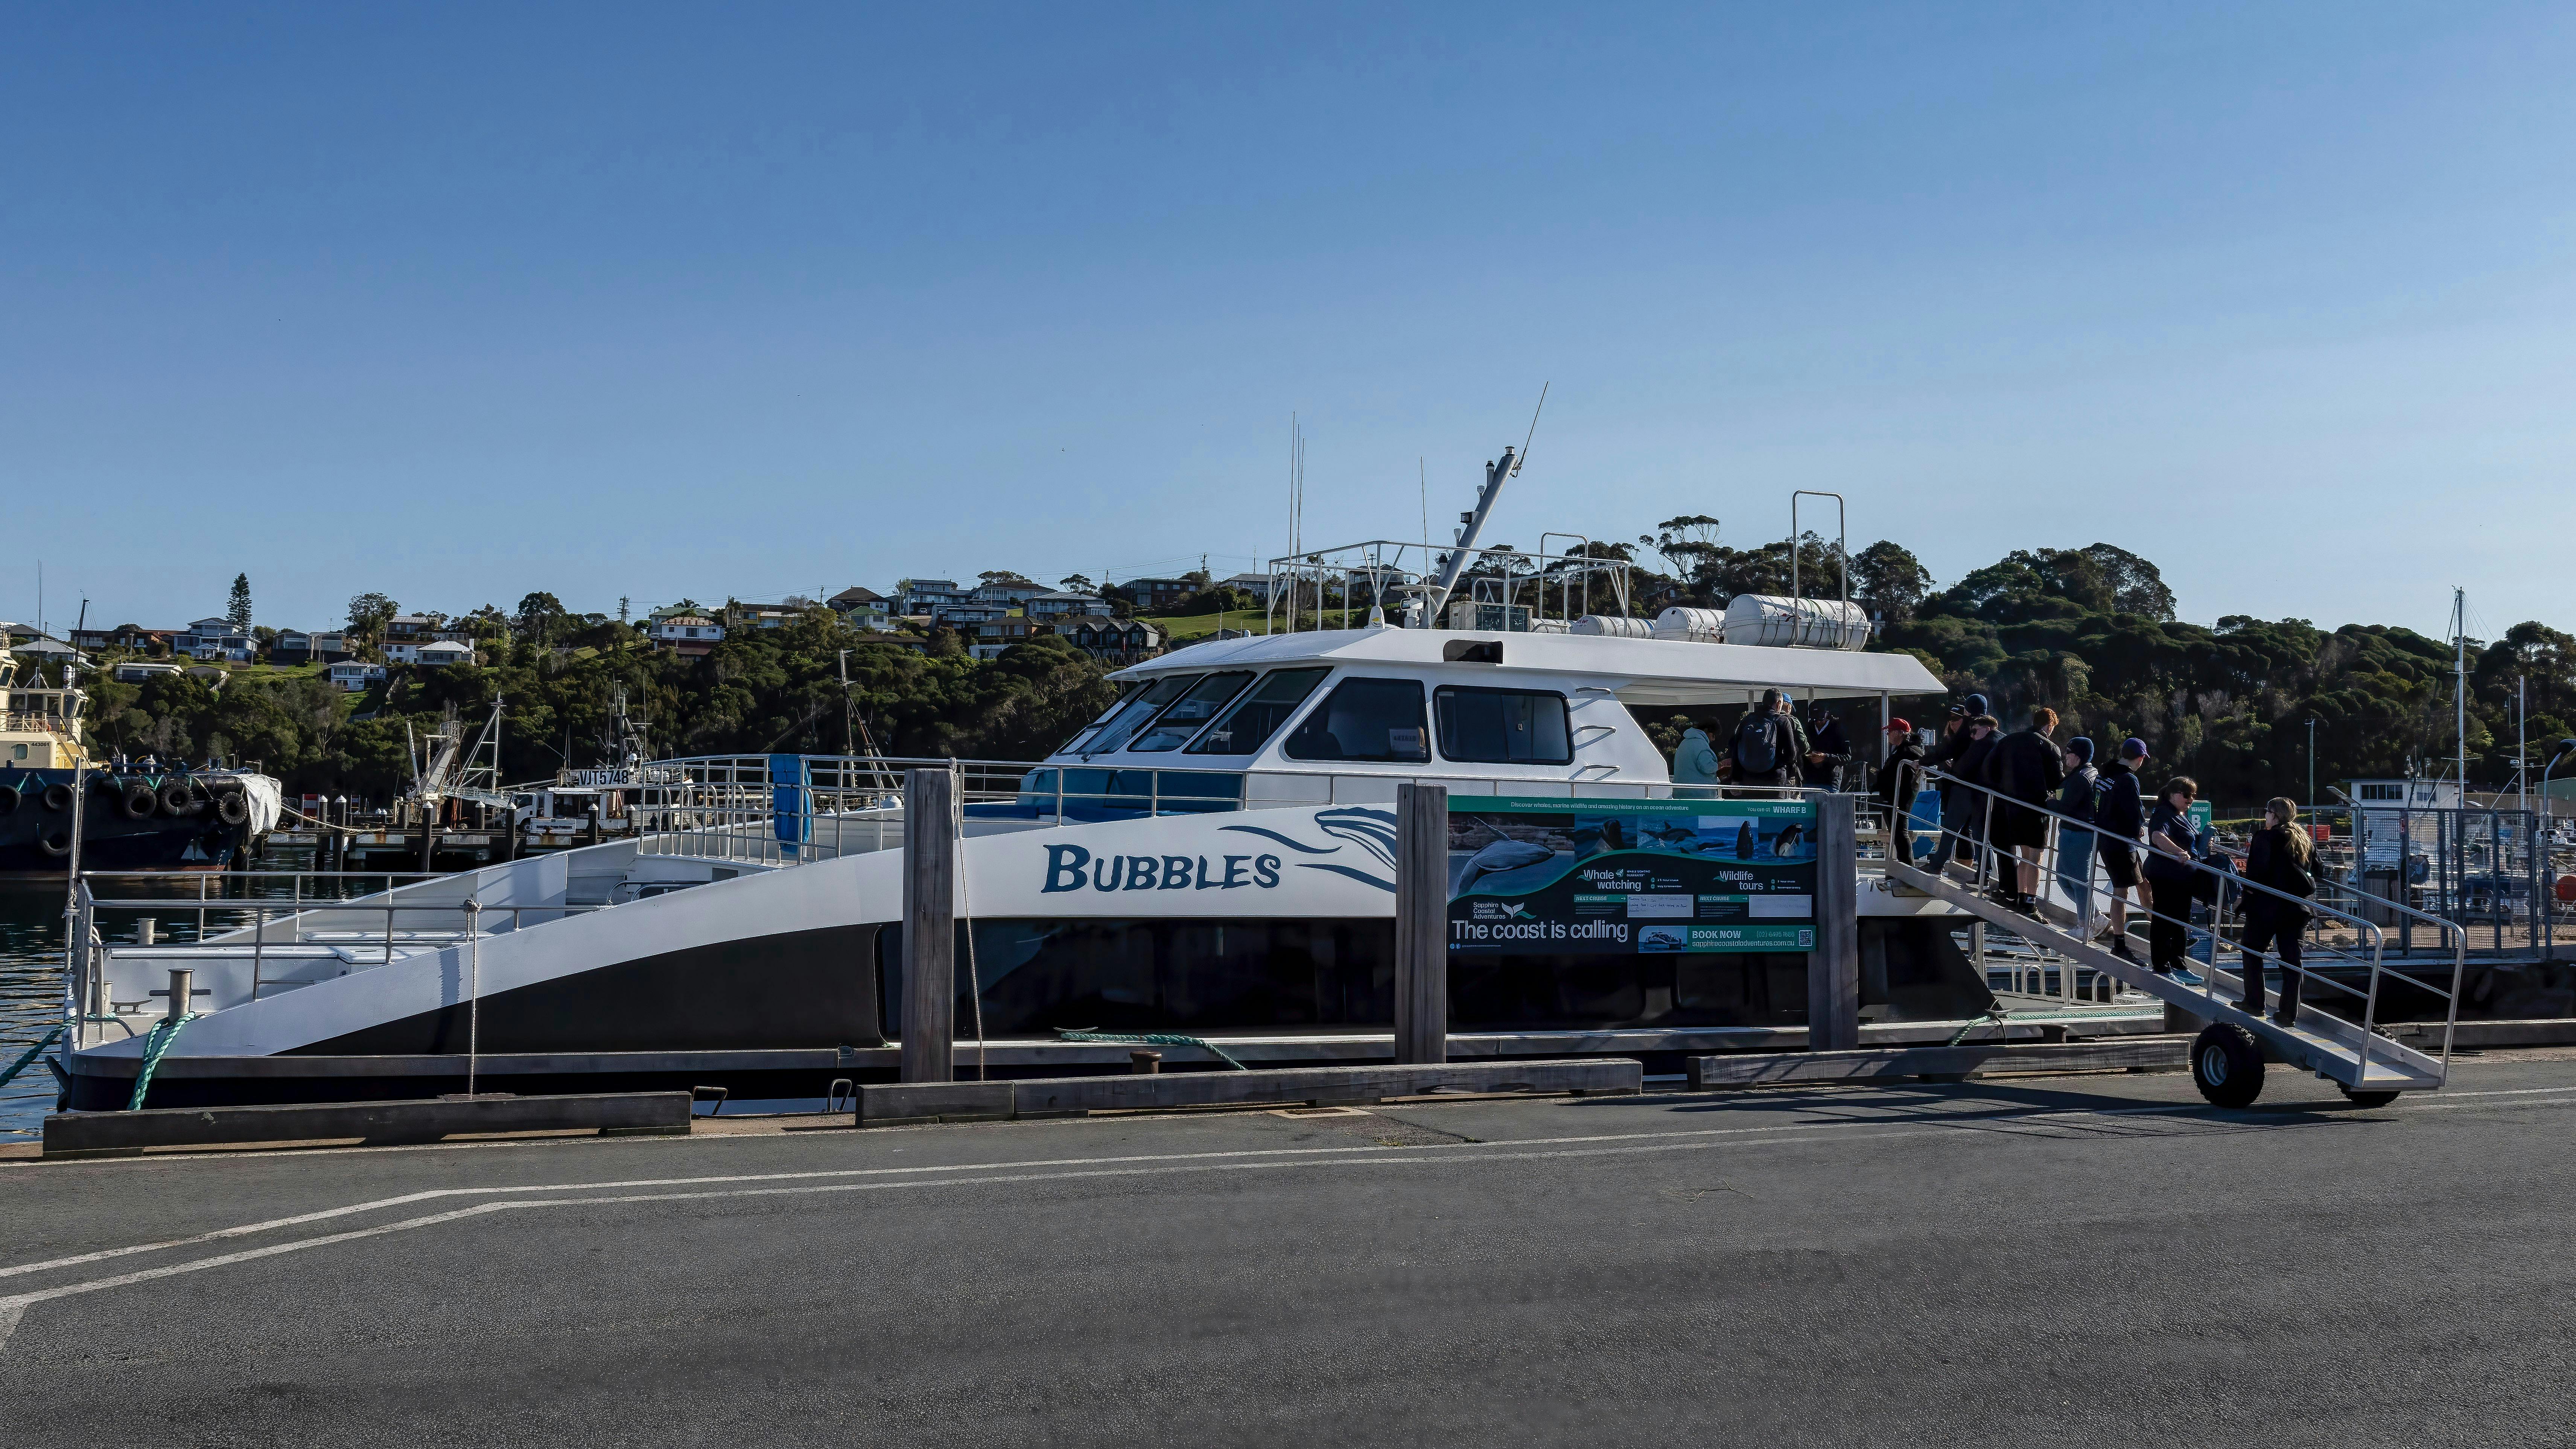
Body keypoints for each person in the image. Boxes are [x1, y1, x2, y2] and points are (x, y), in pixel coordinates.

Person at [2237, 796, 2317, 1024]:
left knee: (2252, 951)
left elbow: (2256, 874)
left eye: (2267, 811)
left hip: (2266, 908)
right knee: (2292, 961)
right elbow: (2319, 869)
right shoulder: (2304, 839)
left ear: (2274, 814)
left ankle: (2254, 1003)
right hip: (2295, 910)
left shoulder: (2265, 837)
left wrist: (2247, 897)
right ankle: (2288, 1013)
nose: (2265, 816)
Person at [1982, 707, 2066, 914]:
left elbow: (1988, 768)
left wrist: (2002, 790)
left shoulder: (2009, 740)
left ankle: (2020, 898)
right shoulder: (2049, 746)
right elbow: (2058, 783)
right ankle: (2030, 903)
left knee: (2024, 856)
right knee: (2035, 858)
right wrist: (2063, 802)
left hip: (2011, 807)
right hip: (2035, 808)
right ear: (2049, 726)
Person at [2093, 738, 2150, 963]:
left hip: (2106, 840)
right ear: (2140, 758)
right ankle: (2120, 944)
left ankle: (2161, 933)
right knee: (2122, 892)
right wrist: (2138, 830)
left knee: (2144, 885)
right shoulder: (2128, 779)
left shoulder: (2103, 775)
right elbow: (2135, 810)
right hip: (2121, 842)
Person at [2143, 776, 2202, 977]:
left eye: (2193, 796)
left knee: (2181, 919)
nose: (2191, 800)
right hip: (2166, 875)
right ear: (2173, 795)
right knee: (2164, 919)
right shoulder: (2164, 813)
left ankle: (2178, 963)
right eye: (2187, 795)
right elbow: (2158, 837)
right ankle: (2162, 965)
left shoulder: (2180, 814)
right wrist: (2179, 852)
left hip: (2181, 878)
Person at [1922, 694, 1987, 871]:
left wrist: (1922, 762)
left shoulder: (1968, 727)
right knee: (1980, 833)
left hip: (1964, 787)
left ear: (1967, 710)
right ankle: (1984, 873)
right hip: (1984, 790)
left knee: (1951, 829)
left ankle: (1937, 865)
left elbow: (1946, 752)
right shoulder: (1989, 729)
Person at [2055, 737, 2100, 933]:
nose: (2066, 756)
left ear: (2078, 756)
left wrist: (2048, 801)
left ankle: (2085, 926)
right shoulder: (2088, 773)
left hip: (2077, 834)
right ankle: (2097, 917)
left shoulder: (2081, 778)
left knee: (2080, 882)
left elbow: (2064, 807)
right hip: (2075, 832)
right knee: (2063, 878)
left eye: (2069, 753)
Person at [1731, 688, 1809, 790]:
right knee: (1775, 806)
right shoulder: (1782, 721)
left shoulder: (1747, 720)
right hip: (1775, 778)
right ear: (1779, 703)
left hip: (1748, 778)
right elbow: (1791, 754)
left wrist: (1736, 779)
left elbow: (1735, 749)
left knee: (1752, 806)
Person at [1802, 703, 1852, 791]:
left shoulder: (1838, 729)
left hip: (1830, 782)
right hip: (1809, 781)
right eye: (1815, 720)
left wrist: (1825, 757)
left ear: (1827, 715)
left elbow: (1847, 757)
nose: (1818, 723)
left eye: (1821, 720)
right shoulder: (1808, 728)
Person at [1671, 725, 1721, 797]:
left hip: (1680, 794)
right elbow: (1707, 767)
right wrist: (1720, 765)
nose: (1714, 739)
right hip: (1699, 796)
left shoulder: (1684, 743)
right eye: (1714, 736)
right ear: (1707, 731)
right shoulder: (1701, 745)